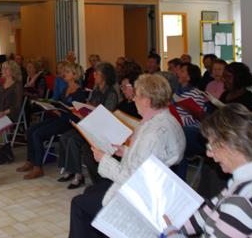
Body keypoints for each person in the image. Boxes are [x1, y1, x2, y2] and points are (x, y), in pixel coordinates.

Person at [69, 74, 185, 238]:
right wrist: (125, 151)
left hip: (141, 196)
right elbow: (151, 159)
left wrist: (104, 159)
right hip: (154, 188)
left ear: (146, 100)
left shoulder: (153, 134)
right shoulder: (167, 120)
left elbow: (135, 178)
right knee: (90, 191)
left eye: (136, 95)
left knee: (79, 204)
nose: (133, 99)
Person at [163, 104, 252, 238]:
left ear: (232, 145)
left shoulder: (243, 200)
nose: (209, 154)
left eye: (211, 146)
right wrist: (176, 225)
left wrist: (172, 234)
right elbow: (210, 210)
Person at [17, 62, 87, 179]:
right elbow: (59, 104)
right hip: (59, 118)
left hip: (68, 123)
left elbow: (77, 116)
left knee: (37, 134)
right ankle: (30, 161)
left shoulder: (79, 93)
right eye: (64, 71)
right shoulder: (65, 89)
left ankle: (38, 167)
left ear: (75, 75)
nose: (64, 74)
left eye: (67, 72)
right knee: (30, 130)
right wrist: (51, 107)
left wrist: (60, 112)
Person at [59, 62, 119, 188]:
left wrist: (90, 111)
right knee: (65, 137)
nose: (94, 75)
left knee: (73, 140)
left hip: (101, 129)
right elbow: (90, 104)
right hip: (91, 124)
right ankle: (72, 170)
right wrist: (82, 111)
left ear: (105, 76)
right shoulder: (96, 89)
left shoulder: (111, 93)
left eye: (97, 73)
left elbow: (106, 115)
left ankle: (79, 176)